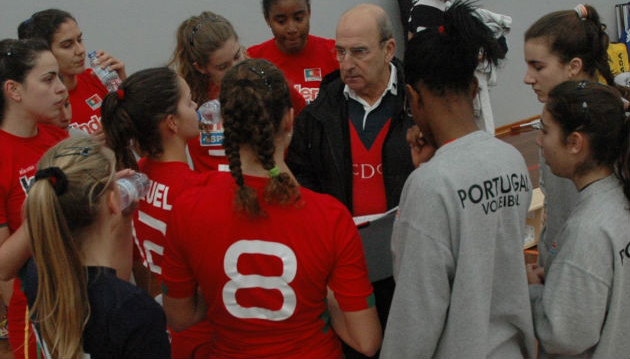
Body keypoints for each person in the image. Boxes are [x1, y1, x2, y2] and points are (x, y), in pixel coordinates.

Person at [162, 59, 381, 358]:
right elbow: (366, 340)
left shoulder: (188, 207)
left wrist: (223, 293)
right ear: (289, 120)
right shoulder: (329, 218)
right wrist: (321, 293)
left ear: (226, 124)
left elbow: (180, 317)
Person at [380, 0, 536, 359]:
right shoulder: (511, 161)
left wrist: (426, 177)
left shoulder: (431, 186)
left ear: (413, 97)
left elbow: (415, 317)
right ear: (474, 89)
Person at [287, 4, 414, 357]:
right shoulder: (318, 114)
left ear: (389, 49)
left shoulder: (418, 104)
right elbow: (301, 178)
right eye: (340, 52)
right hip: (346, 269)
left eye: (359, 52)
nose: (347, 64)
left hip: (410, 267)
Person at [101, 66, 216, 358]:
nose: (196, 107)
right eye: (188, 102)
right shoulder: (196, 189)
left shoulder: (134, 178)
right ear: (172, 122)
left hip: (166, 324)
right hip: (204, 331)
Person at [22, 136, 170, 359]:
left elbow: (109, 282)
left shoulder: (38, 273)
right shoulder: (137, 311)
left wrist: (122, 216)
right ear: (112, 201)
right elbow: (111, 294)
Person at [528, 80, 630, 357]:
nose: (539, 140)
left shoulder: (587, 228)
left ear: (574, 143)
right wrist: (563, 278)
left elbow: (566, 335)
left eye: (545, 131)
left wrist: (535, 292)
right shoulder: (620, 197)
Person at [523, 3, 618, 270]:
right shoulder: (554, 123)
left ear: (573, 66)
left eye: (538, 67)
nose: (528, 78)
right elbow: (555, 208)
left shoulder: (615, 128)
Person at [0, 38, 68, 359]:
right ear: (14, 90)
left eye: (59, 77)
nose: (61, 88)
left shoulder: (56, 137)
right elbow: (3, 265)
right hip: (37, 309)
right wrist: (43, 208)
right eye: (48, 79)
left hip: (79, 292)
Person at [18, 8, 126, 140]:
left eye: (79, 40)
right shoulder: (38, 104)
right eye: (67, 45)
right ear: (44, 53)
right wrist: (84, 148)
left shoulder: (97, 78)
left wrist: (124, 86)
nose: (80, 50)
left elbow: (133, 128)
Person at [170, 11, 247, 172]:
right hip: (207, 186)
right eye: (223, 67)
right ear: (200, 67)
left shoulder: (265, 80)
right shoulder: (186, 97)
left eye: (237, 56)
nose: (236, 70)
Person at [248, 0, 338, 104]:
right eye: (281, 21)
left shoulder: (335, 54)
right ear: (267, 19)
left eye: (298, 19)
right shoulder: (252, 61)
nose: (291, 29)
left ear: (309, 12)